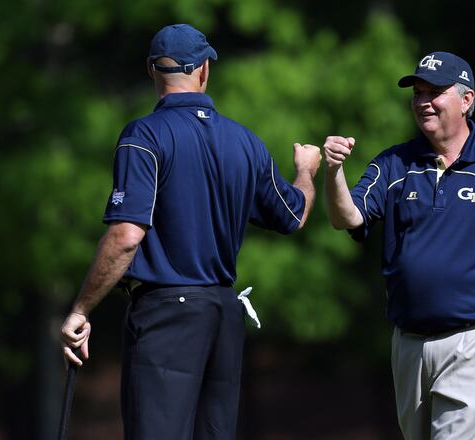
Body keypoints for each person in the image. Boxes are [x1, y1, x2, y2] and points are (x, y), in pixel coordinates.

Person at [59, 24, 321, 439]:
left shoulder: (143, 136)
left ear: (151, 70)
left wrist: (81, 309)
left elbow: (126, 235)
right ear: (204, 70)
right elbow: (293, 214)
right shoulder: (245, 141)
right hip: (222, 314)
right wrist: (306, 171)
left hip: (166, 316)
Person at [321, 51, 475, 439]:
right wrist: (333, 172)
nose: (423, 102)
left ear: (466, 100)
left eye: (435, 92)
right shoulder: (394, 164)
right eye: (418, 93)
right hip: (410, 344)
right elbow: (347, 218)